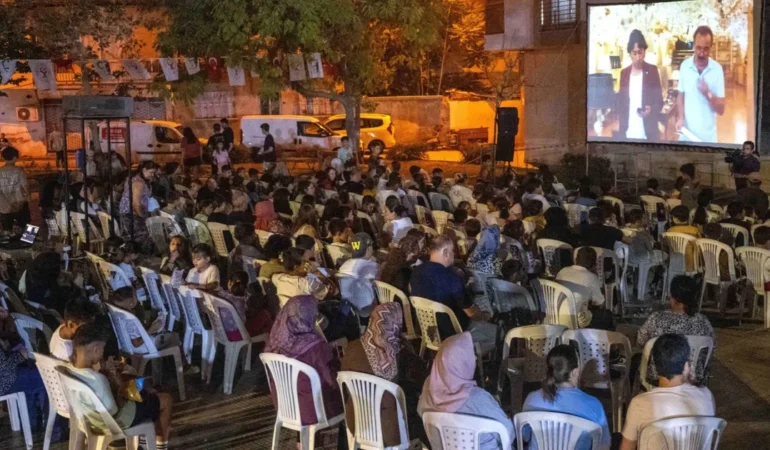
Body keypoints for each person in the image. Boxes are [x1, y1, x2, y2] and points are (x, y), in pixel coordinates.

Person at [67, 323, 174, 450]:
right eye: (102, 349)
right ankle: (158, 446)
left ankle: (146, 441)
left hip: (91, 418)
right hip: (115, 421)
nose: (102, 354)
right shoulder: (98, 379)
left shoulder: (69, 369)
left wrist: (107, 372)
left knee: (148, 395)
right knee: (165, 399)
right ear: (96, 349)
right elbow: (114, 409)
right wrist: (117, 383)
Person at [341, 302, 426, 447]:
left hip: (357, 419)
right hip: (390, 428)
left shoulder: (352, 347)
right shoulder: (401, 353)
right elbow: (423, 378)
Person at [418, 332, 514, 450]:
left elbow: (420, 412)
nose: (473, 358)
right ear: (462, 363)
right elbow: (508, 432)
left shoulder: (428, 389)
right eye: (470, 355)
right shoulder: (477, 398)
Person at [620, 334, 715, 450]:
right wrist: (692, 381)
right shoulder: (706, 395)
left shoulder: (640, 403)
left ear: (655, 366)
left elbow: (627, 447)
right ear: (687, 366)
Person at [409, 236, 497, 352]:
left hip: (426, 329)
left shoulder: (416, 271)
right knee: (497, 333)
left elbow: (412, 291)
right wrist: (485, 315)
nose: (454, 254)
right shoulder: (452, 279)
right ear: (445, 252)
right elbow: (472, 313)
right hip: (453, 333)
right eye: (452, 251)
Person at [265, 295, 343, 424]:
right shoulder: (314, 346)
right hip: (312, 412)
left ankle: (301, 441)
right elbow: (332, 381)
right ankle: (346, 440)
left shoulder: (275, 342)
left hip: (284, 407)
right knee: (352, 394)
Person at [523, 345, 610, 450]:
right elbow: (603, 445)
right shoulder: (594, 405)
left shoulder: (532, 399)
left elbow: (525, 436)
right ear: (575, 372)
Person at [636, 275, 715, 382]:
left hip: (659, 380)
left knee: (636, 360)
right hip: (693, 380)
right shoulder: (704, 322)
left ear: (673, 298)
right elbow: (711, 348)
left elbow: (641, 342)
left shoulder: (656, 319)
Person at [0, 307, 48, 432]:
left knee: (29, 375)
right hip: (4, 382)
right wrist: (20, 356)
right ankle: (52, 426)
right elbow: (4, 367)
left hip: (7, 376)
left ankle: (30, 422)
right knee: (45, 377)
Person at [676, 26, 725, 143]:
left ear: (711, 47)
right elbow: (680, 95)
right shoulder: (684, 66)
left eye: (706, 49)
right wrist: (680, 117)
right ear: (693, 45)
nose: (701, 53)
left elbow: (721, 110)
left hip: (708, 138)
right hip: (686, 135)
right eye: (698, 48)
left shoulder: (717, 69)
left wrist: (708, 93)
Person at [617, 30, 663, 141]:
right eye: (634, 53)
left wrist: (650, 110)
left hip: (648, 132)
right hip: (627, 132)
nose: (638, 57)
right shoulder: (624, 73)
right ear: (630, 53)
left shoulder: (652, 71)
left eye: (640, 52)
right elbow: (620, 103)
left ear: (644, 52)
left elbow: (659, 101)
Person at [555, 247, 613, 330]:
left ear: (576, 259)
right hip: (576, 320)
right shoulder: (591, 277)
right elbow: (600, 304)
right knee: (607, 316)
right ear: (594, 263)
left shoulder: (562, 271)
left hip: (556, 314)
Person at [119, 161, 157, 251]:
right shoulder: (138, 183)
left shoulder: (134, 178)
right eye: (151, 172)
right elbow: (136, 203)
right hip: (132, 214)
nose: (152, 175)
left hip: (128, 212)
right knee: (142, 237)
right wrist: (142, 216)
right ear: (144, 170)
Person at [338, 232, 378, 317]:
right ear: (368, 248)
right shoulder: (370, 266)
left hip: (349, 308)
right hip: (367, 310)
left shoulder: (345, 265)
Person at [0, 147, 30, 234]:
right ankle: (29, 243)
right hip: (20, 203)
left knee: (6, 228)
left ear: (3, 158)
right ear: (14, 158)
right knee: (27, 226)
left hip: (4, 206)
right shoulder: (19, 171)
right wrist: (28, 197)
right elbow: (25, 186)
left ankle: (7, 243)